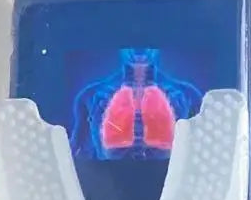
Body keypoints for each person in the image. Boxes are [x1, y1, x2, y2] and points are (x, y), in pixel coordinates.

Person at [69, 48, 203, 160]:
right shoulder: (91, 96)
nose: (140, 50)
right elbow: (73, 157)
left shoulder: (187, 96)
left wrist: (181, 133)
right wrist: (98, 139)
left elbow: (201, 156)